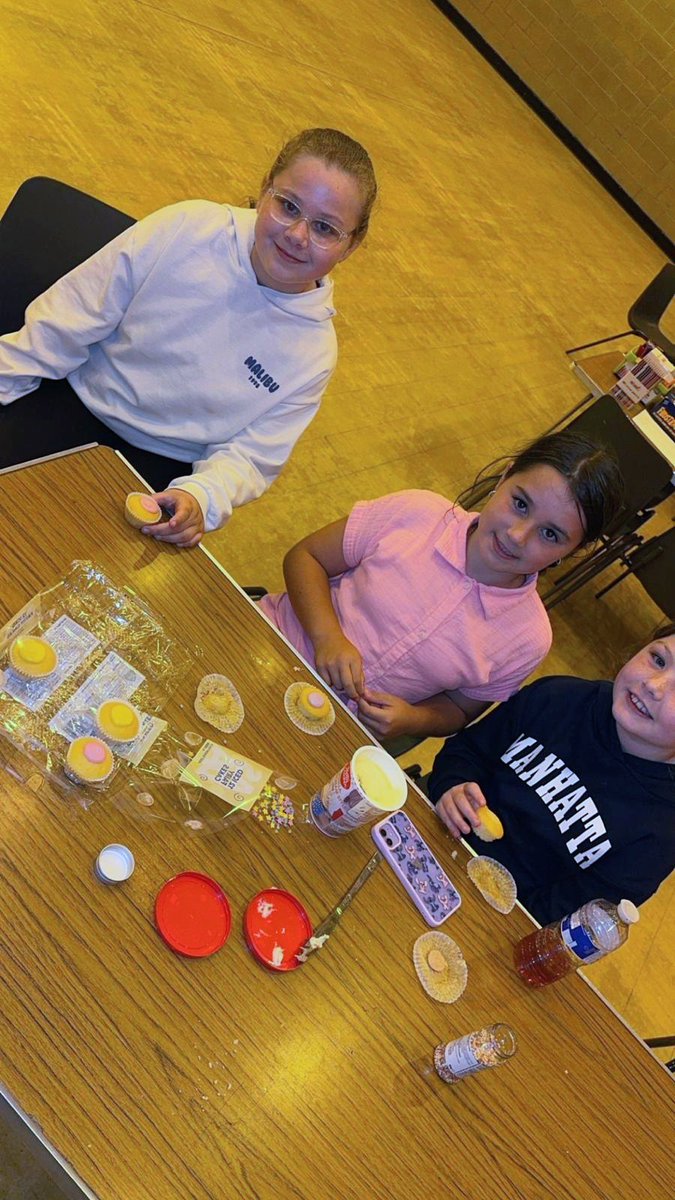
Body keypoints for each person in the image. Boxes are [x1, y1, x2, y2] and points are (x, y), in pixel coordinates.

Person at [0, 128, 376, 547]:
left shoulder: (315, 354)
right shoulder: (189, 226)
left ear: (351, 245)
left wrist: (201, 496)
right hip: (72, 398)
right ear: (265, 189)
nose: (297, 235)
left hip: (157, 468)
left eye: (326, 228)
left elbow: (251, 457)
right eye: (288, 205)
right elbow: (72, 315)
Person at [259, 431, 624, 738]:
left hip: (337, 731)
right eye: (520, 503)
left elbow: (459, 709)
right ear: (504, 477)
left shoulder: (528, 639)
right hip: (271, 647)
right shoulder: (417, 513)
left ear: (574, 549)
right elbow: (306, 557)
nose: (516, 535)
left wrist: (413, 719)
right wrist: (327, 637)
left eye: (550, 534)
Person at [428, 624, 675, 924]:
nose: (654, 685)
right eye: (659, 659)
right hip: (435, 831)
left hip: (494, 918)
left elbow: (573, 919)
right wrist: (452, 784)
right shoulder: (559, 697)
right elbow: (467, 751)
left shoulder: (662, 831)